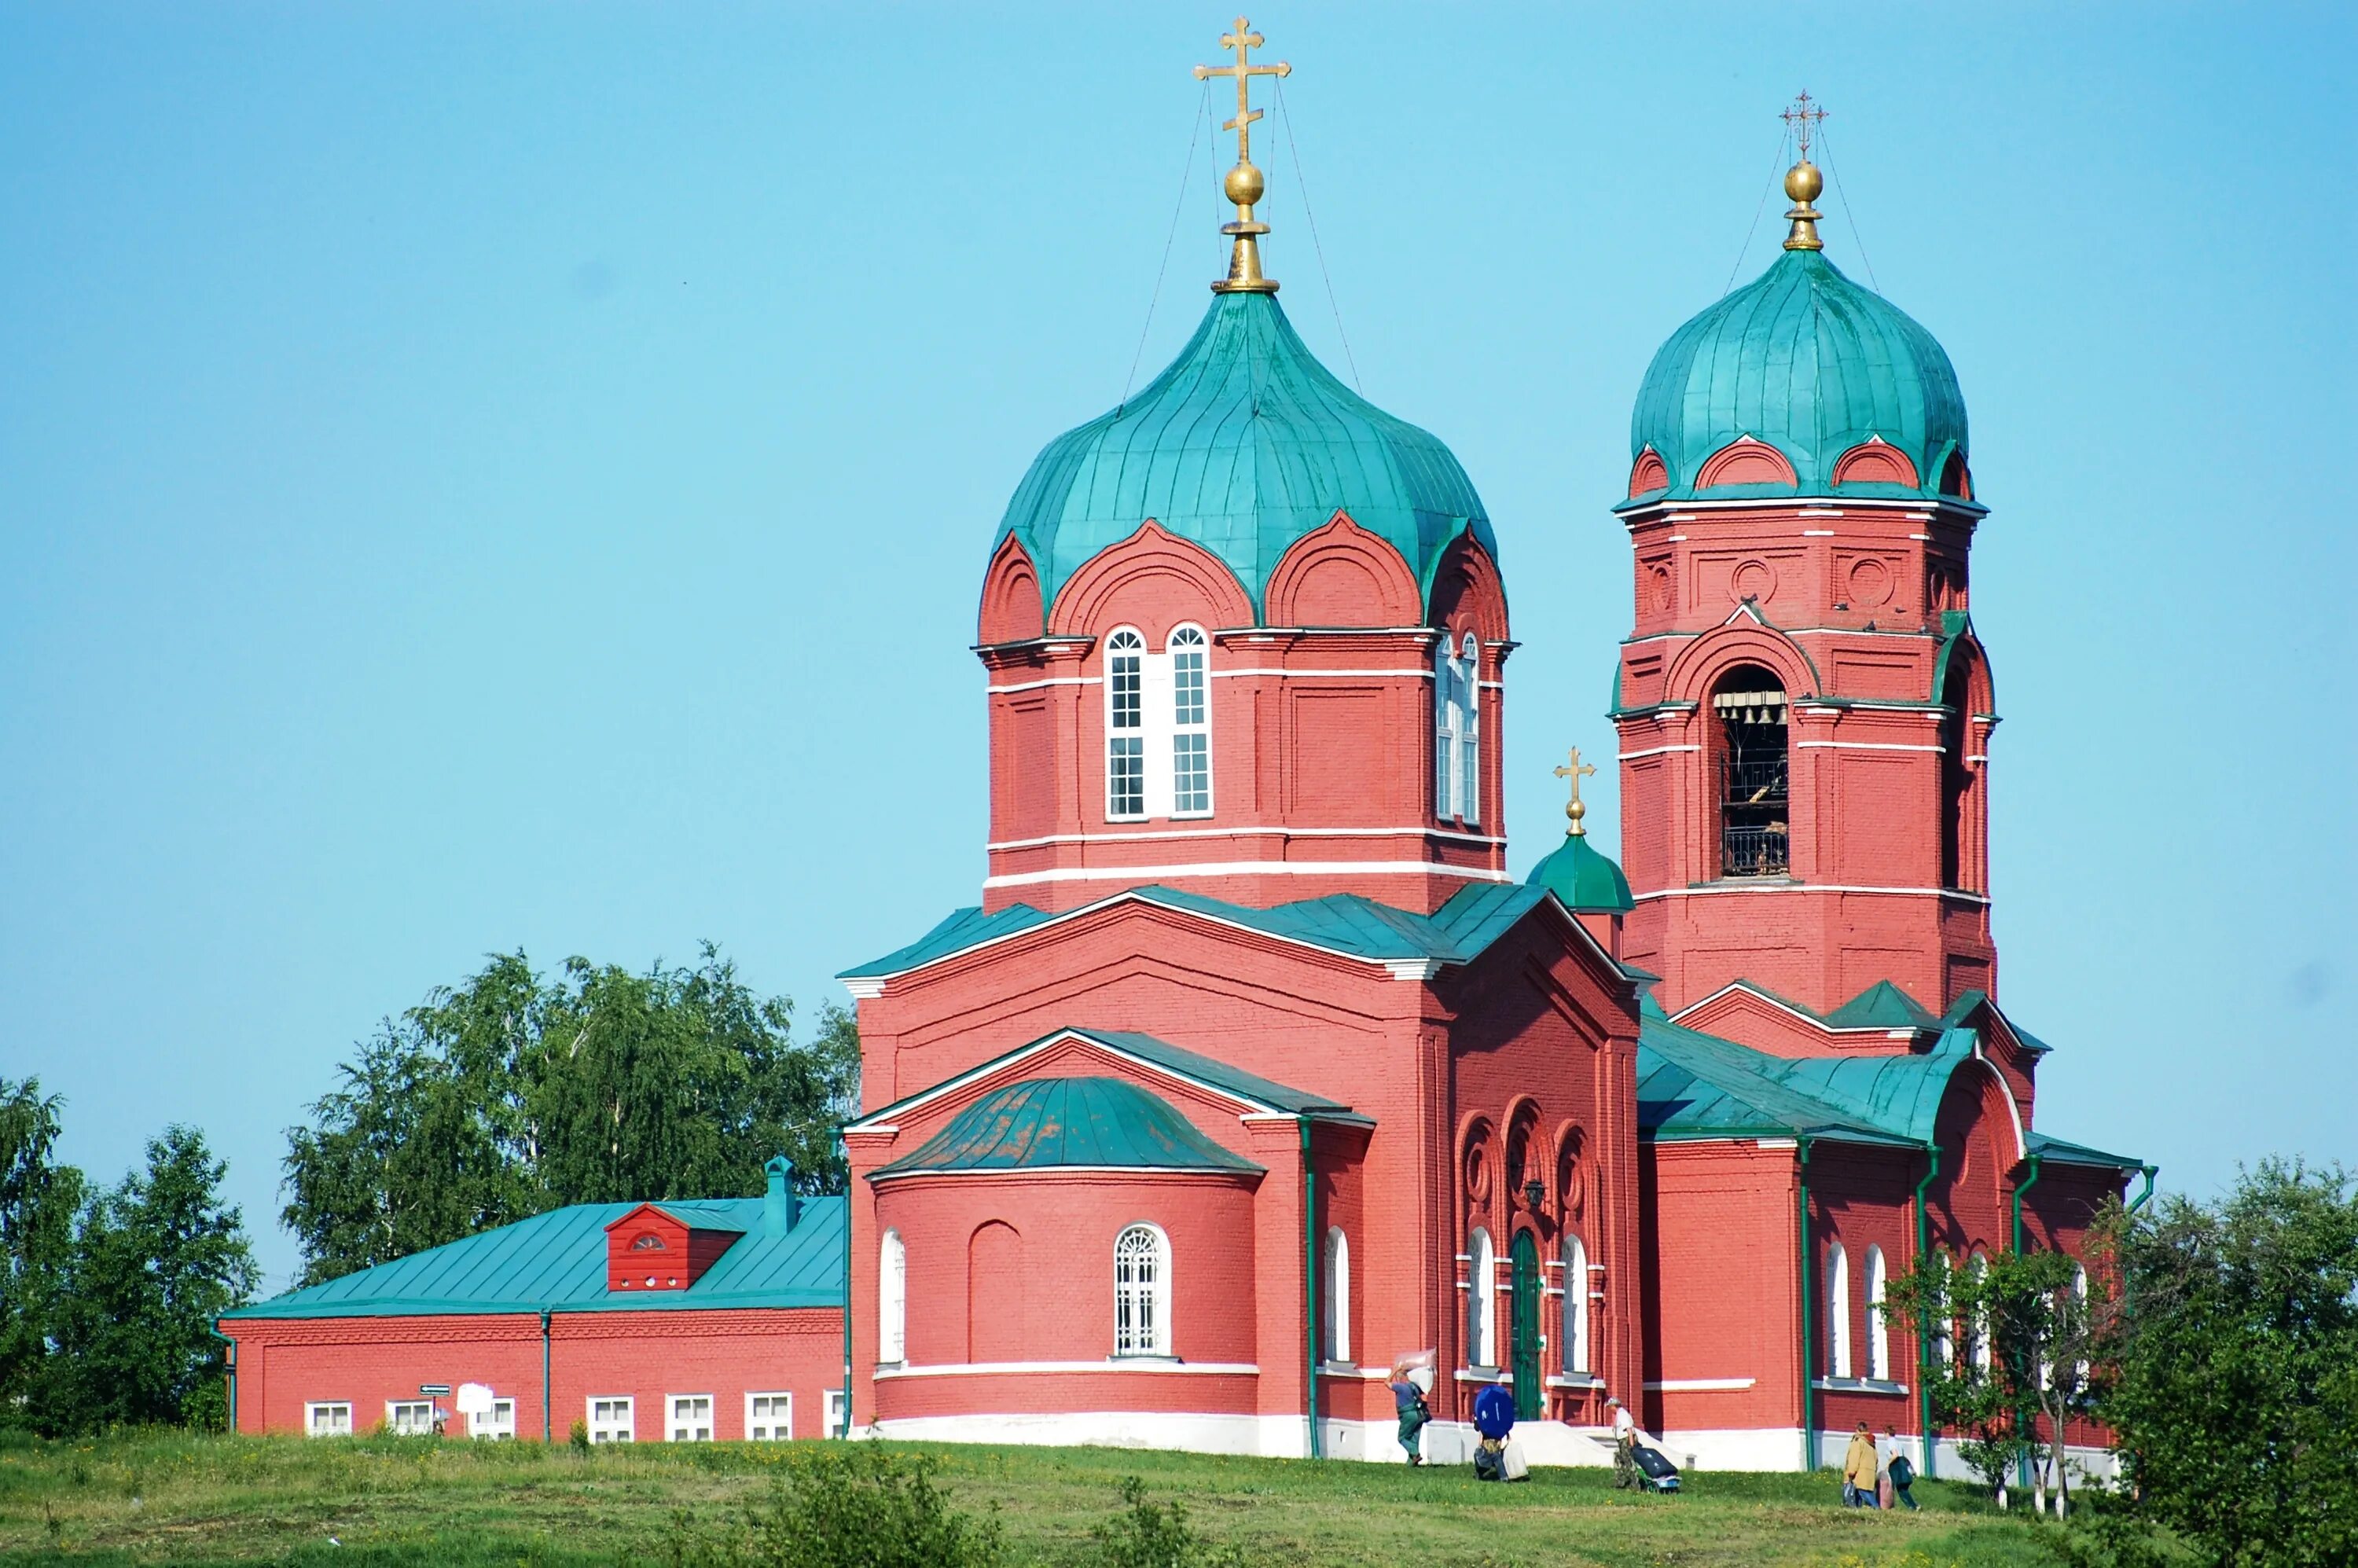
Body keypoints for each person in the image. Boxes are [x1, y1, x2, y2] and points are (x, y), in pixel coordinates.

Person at [1471, 1376, 1517, 1481]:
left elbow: (1483, 1428)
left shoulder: (1489, 1415)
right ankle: (1503, 1476)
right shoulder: (1491, 1415)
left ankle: (1480, 1475)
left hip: (1493, 1439)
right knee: (1495, 1457)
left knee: (1489, 1458)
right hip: (1492, 1439)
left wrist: (1507, 1433)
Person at [1387, 1363, 1429, 1465]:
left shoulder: (1400, 1387)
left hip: (1408, 1415)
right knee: (1413, 1437)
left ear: (1400, 1378)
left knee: (1402, 1438)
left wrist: (1395, 1371)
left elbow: (1386, 1382)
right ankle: (1412, 1463)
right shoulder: (1414, 1387)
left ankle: (1415, 1454)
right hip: (1419, 1415)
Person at [1842, 1422, 1878, 1507]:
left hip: (1860, 1473)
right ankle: (1857, 1510)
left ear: (1858, 1430)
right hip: (1870, 1472)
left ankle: (1877, 1508)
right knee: (1858, 1494)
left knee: (1863, 1492)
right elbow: (1876, 1458)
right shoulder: (1872, 1443)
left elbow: (1854, 1458)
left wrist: (1851, 1472)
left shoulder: (1858, 1441)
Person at [1609, 1396, 1640, 1490]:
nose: (1610, 1409)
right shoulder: (1619, 1414)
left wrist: (1631, 1444)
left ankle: (1635, 1485)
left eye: (1610, 1407)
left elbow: (1629, 1429)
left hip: (1626, 1440)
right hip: (1623, 1441)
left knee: (1629, 1461)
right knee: (1618, 1458)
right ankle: (1621, 1482)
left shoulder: (1622, 1414)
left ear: (1614, 1406)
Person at [1884, 1432, 1920, 1511]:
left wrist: (1888, 1465)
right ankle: (1914, 1506)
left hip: (1897, 1467)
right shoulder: (1898, 1442)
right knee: (1902, 1489)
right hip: (1902, 1465)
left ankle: (1913, 1506)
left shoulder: (1891, 1441)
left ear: (1887, 1433)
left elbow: (1895, 1455)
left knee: (1897, 1488)